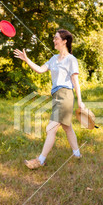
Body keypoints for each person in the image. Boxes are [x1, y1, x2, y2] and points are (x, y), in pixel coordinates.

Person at [14, 29, 86, 168]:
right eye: (54, 38)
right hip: (56, 96)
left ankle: (40, 160)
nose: (54, 40)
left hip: (65, 95)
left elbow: (75, 81)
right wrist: (26, 59)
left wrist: (80, 100)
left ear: (64, 41)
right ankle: (77, 155)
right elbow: (40, 69)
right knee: (67, 127)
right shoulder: (53, 59)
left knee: (51, 128)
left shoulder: (71, 59)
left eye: (56, 38)